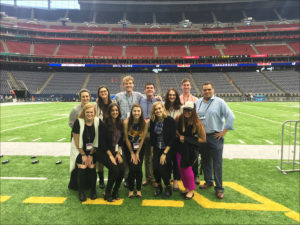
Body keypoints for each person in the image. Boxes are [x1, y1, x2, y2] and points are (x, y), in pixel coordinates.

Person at [195, 81, 235, 199]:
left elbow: (231, 117)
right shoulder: (198, 102)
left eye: (209, 89)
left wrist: (223, 132)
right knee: (205, 160)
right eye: (205, 90)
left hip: (215, 136)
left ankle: (219, 188)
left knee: (217, 163)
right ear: (202, 91)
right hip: (202, 137)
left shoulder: (220, 102)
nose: (207, 91)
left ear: (213, 90)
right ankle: (208, 181)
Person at [175, 101, 206, 200]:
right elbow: (176, 130)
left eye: (189, 110)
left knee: (187, 169)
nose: (187, 112)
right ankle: (187, 188)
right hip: (180, 148)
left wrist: (187, 139)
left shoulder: (197, 122)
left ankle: (191, 190)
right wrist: (180, 136)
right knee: (181, 168)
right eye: (185, 109)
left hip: (191, 150)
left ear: (193, 111)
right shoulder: (179, 118)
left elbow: (203, 139)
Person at [68, 103, 99, 202]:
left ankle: (93, 190)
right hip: (79, 150)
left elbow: (97, 141)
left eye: (91, 112)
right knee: (83, 166)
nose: (90, 114)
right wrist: (83, 154)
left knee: (91, 166)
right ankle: (81, 192)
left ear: (94, 113)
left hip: (92, 150)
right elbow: (76, 140)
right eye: (87, 112)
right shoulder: (78, 122)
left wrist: (90, 155)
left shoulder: (97, 121)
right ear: (84, 113)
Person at [97, 103, 125, 202]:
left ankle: (115, 191)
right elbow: (102, 143)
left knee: (122, 169)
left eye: (116, 110)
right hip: (103, 152)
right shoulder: (103, 124)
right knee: (115, 169)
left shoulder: (120, 123)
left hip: (115, 151)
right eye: (112, 110)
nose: (115, 112)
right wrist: (111, 156)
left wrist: (118, 153)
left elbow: (121, 140)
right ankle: (107, 192)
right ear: (109, 112)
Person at [150, 102, 176, 198]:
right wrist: (153, 152)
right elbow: (153, 138)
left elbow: (173, 138)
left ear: (163, 109)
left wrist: (164, 153)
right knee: (155, 168)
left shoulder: (170, 120)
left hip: (167, 149)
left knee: (163, 167)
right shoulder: (153, 121)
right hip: (157, 148)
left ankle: (168, 187)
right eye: (156, 109)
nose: (158, 111)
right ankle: (159, 187)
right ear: (154, 111)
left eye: (159, 108)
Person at [179, 78, 201, 184]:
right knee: (183, 153)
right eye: (184, 85)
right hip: (182, 127)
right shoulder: (178, 99)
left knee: (193, 153)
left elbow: (197, 114)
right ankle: (182, 174)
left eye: (188, 85)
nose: (186, 87)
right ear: (181, 86)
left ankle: (195, 174)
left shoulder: (195, 99)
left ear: (190, 86)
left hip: (192, 129)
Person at [123, 104, 148, 198]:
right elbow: (126, 139)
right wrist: (132, 153)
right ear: (131, 112)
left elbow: (142, 139)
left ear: (141, 112)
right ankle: (130, 190)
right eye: (134, 111)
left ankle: (138, 189)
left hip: (140, 148)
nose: (136, 113)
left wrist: (137, 153)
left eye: (138, 111)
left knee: (138, 168)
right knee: (132, 168)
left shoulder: (145, 122)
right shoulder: (126, 122)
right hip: (129, 147)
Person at [140, 83, 160, 188]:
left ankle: (154, 178)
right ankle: (148, 177)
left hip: (155, 132)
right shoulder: (141, 100)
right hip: (144, 132)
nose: (149, 89)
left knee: (154, 156)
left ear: (154, 89)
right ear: (144, 90)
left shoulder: (158, 101)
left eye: (151, 88)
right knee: (146, 156)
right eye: (147, 88)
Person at [164, 88, 182, 190]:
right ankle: (168, 179)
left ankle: (175, 180)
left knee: (175, 161)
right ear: (167, 96)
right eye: (170, 95)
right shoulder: (163, 107)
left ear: (176, 97)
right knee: (168, 160)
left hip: (177, 139)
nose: (171, 97)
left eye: (174, 95)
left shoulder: (180, 108)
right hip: (166, 139)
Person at [95, 86, 113, 189]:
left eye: (105, 91)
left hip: (111, 134)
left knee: (112, 157)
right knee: (100, 160)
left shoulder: (112, 103)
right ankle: (101, 180)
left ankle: (111, 179)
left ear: (108, 92)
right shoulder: (96, 105)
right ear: (99, 94)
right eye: (101, 92)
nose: (103, 93)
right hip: (100, 134)